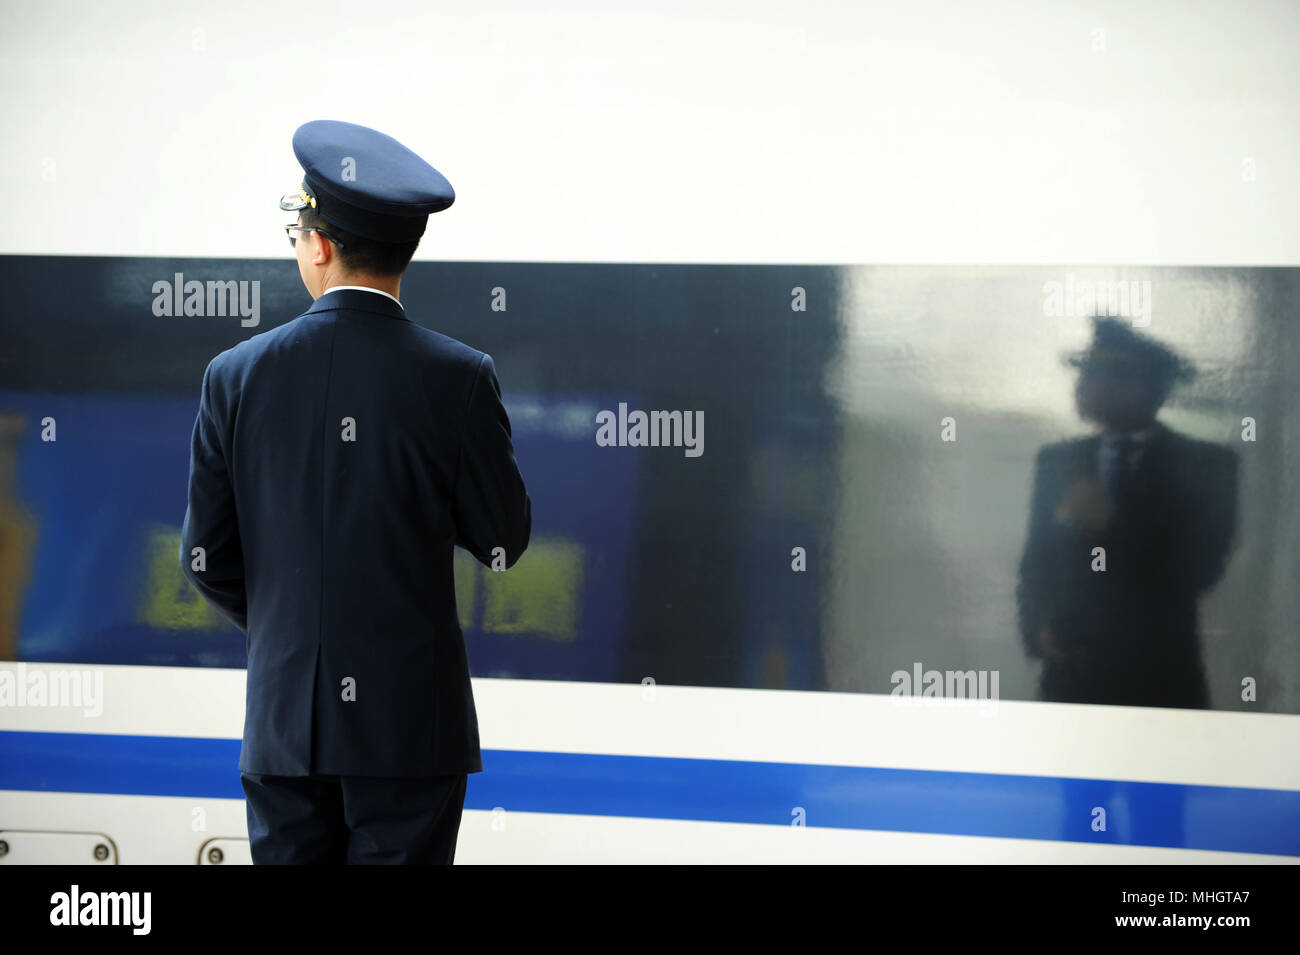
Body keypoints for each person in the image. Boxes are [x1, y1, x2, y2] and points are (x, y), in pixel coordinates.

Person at [179, 119, 531, 863]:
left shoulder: (235, 375)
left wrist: (294, 629)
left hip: (283, 729)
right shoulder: (459, 376)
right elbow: (505, 538)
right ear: (405, 251)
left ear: (321, 243)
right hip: (410, 732)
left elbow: (207, 558)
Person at [1016, 317, 1237, 709]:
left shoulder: (1208, 465)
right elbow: (1036, 562)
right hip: (1070, 681)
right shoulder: (1058, 461)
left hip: (1159, 683)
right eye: (1083, 375)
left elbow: (1202, 569)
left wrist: (1112, 523)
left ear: (1140, 386)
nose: (1080, 387)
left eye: (1096, 375)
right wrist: (1037, 629)